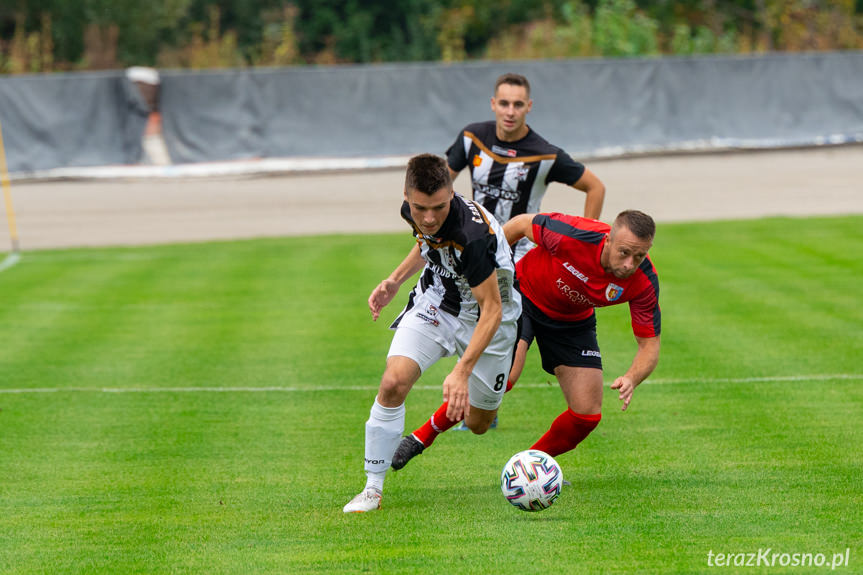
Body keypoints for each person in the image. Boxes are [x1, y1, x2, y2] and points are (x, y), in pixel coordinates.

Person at [404, 72, 607, 437]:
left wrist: (582, 245)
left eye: (518, 104)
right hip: (472, 251)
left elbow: (595, 186)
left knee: (510, 348)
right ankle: (480, 401)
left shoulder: (545, 154)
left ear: (528, 107)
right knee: (482, 324)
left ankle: (485, 402)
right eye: (504, 103)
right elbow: (438, 186)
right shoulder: (472, 139)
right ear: (493, 104)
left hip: (520, 262)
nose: (510, 111)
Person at [392, 209, 660, 470]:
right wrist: (485, 264)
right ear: (608, 239)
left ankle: (528, 468)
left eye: (639, 256)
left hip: (573, 321)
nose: (629, 264)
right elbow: (521, 224)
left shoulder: (644, 280)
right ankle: (421, 437)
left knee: (587, 414)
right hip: (523, 297)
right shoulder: (574, 234)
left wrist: (632, 377)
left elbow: (650, 345)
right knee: (505, 380)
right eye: (624, 253)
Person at [343, 153, 521, 513]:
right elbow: (427, 244)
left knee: (478, 423)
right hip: (437, 303)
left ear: (452, 193)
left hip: (489, 320)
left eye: (439, 208)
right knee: (393, 382)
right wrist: (394, 280)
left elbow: (493, 309)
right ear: (407, 196)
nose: (428, 217)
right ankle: (372, 489)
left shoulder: (471, 236)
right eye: (420, 207)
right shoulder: (415, 212)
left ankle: (438, 424)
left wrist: (461, 370)